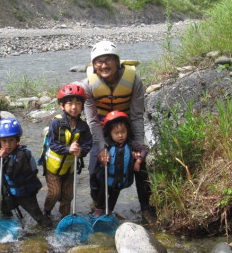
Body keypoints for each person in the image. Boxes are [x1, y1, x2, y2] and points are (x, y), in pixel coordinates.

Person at [81, 40, 155, 222]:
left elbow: (137, 116)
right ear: (94, 65)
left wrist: (138, 145)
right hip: (101, 128)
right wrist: (102, 146)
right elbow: (91, 119)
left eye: (108, 60)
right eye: (99, 61)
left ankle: (146, 208)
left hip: (125, 128)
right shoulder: (87, 85)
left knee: (140, 166)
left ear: (117, 61)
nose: (104, 65)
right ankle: (98, 205)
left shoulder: (135, 81)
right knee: (94, 170)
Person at [0, 118, 52, 228]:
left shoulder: (23, 154)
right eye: (4, 141)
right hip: (10, 192)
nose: (8, 145)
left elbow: (12, 173)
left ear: (17, 140)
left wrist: (5, 158)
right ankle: (11, 226)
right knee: (4, 210)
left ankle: (47, 229)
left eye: (11, 140)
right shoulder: (0, 153)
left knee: (38, 216)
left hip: (25, 194)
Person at [39, 83, 93, 220]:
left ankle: (65, 217)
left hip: (69, 168)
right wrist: (68, 149)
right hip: (53, 168)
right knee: (55, 193)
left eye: (78, 103)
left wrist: (81, 151)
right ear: (62, 105)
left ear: (82, 106)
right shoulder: (56, 123)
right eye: (70, 103)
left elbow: (88, 143)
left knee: (68, 195)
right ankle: (46, 211)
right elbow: (52, 144)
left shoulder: (83, 126)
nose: (74, 107)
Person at [91, 110, 148, 218]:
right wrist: (101, 157)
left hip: (120, 179)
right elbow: (99, 155)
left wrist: (139, 161)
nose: (120, 135)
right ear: (110, 133)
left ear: (128, 131)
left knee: (113, 196)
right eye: (116, 133)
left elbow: (144, 150)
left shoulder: (131, 144)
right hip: (107, 178)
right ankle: (98, 210)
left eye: (123, 132)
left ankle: (108, 213)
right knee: (102, 194)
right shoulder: (107, 144)